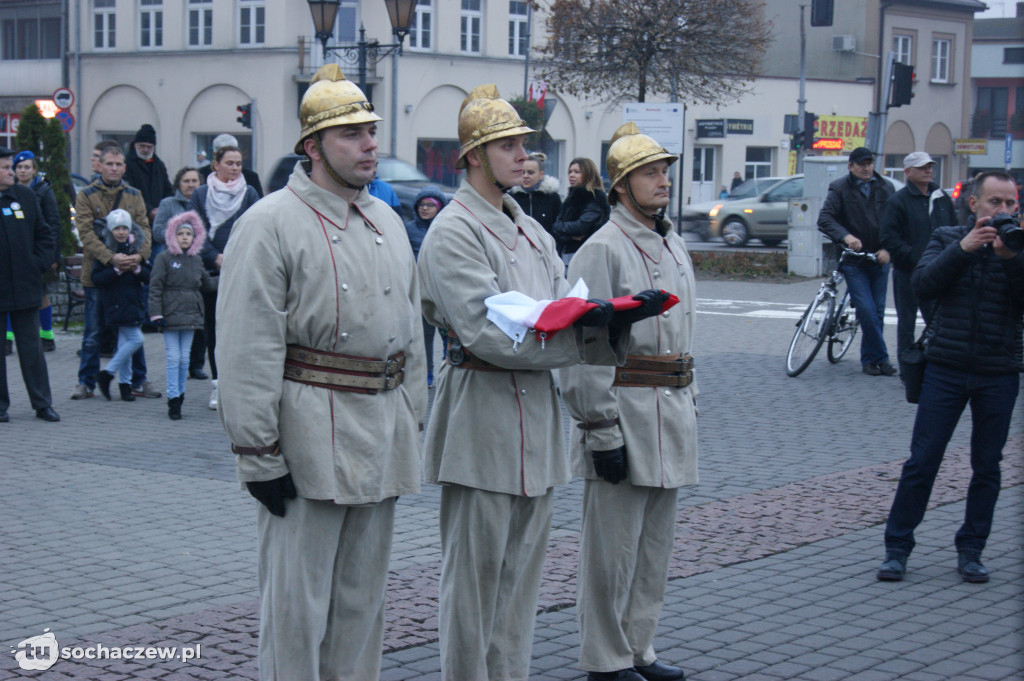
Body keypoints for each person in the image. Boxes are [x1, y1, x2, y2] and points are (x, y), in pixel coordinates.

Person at [417, 84, 662, 681]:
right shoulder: (455, 231)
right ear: (475, 154)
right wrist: (582, 333)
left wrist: (609, 319)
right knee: (475, 586)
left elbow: (559, 304)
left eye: (524, 143)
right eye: (509, 145)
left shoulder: (529, 228)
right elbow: (487, 333)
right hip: (481, 412)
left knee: (521, 582)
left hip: (536, 417)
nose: (524, 154)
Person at [215, 64, 426, 681]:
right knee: (297, 606)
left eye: (371, 131)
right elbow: (247, 347)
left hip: (380, 431)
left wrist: (409, 417)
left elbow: (409, 330)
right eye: (351, 134)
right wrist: (257, 452)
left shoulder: (385, 219)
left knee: (363, 600)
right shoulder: (269, 223)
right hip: (307, 437)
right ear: (311, 147)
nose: (369, 145)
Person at [559, 122, 696, 681]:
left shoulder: (673, 241)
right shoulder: (601, 249)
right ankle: (604, 657)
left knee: (652, 547)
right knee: (610, 550)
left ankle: (639, 647)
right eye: (650, 173)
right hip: (624, 407)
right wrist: (597, 427)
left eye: (664, 171)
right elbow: (582, 346)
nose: (663, 180)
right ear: (620, 185)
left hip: (671, 408)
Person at [876, 171, 1023, 584]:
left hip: (999, 372)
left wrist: (1012, 259)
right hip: (945, 368)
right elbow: (921, 285)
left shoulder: (1017, 246)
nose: (1005, 210)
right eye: (996, 202)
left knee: (988, 466)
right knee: (922, 461)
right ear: (974, 204)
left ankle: (972, 549)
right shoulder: (946, 237)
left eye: (1011, 203)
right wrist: (963, 249)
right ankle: (897, 548)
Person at [71, 146, 157, 400]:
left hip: (129, 274)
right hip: (97, 275)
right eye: (109, 163)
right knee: (93, 332)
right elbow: (86, 233)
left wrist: (140, 256)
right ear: (99, 165)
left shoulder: (134, 194)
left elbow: (145, 229)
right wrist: (112, 258)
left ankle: (137, 381)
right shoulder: (86, 194)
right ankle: (85, 382)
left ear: (124, 167)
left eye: (118, 164)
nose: (114, 168)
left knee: (133, 329)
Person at [189, 144, 259, 410]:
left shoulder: (249, 193)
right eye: (229, 163)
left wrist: (236, 257)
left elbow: (256, 228)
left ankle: (240, 384)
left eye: (239, 163)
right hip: (212, 274)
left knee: (243, 331)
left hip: (241, 269)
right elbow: (195, 229)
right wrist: (215, 257)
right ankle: (218, 384)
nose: (235, 168)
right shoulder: (201, 194)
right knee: (215, 331)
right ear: (215, 165)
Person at [817, 146, 896, 376]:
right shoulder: (840, 188)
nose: (867, 168)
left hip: (879, 259)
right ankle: (883, 358)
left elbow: (895, 222)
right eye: (861, 164)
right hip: (853, 261)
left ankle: (870, 361)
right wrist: (846, 236)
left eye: (869, 163)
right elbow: (825, 218)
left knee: (878, 311)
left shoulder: (885, 187)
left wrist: (888, 249)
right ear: (850, 167)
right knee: (867, 311)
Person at [880, 152, 956, 377]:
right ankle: (908, 370)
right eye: (922, 167)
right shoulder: (898, 200)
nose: (928, 171)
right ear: (908, 172)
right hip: (908, 272)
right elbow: (889, 238)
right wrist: (915, 258)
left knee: (938, 321)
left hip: (938, 272)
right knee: (907, 323)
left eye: (930, 166)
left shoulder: (940, 197)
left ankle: (939, 366)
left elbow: (953, 229)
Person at [0, 147, 60, 423]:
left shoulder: (24, 196)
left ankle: (42, 403)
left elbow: (45, 236)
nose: (11, 172)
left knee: (32, 349)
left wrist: (37, 264)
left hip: (25, 286)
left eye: (11, 167)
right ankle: (1, 406)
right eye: (5, 168)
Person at [149, 210, 216, 420]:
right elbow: (155, 287)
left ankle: (180, 395)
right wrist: (155, 314)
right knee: (173, 357)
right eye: (181, 234)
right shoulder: (164, 259)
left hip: (190, 316)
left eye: (189, 234)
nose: (185, 237)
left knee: (184, 358)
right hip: (169, 315)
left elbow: (207, 284)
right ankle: (173, 398)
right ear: (172, 236)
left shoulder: (196, 260)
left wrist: (229, 277)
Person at [153, 166, 208, 380]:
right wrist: (177, 235)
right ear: (178, 184)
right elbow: (157, 231)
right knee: (179, 317)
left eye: (195, 181)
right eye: (187, 181)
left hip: (197, 264)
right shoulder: (168, 204)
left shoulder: (204, 202)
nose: (191, 185)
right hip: (174, 267)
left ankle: (196, 365)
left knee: (198, 316)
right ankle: (179, 365)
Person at [92, 209, 151, 402]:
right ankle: (107, 373)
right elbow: (97, 279)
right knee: (136, 340)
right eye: (116, 228)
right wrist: (116, 269)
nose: (121, 232)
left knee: (125, 343)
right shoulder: (106, 252)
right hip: (115, 304)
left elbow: (149, 276)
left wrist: (136, 268)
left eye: (124, 228)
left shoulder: (136, 249)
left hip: (133, 302)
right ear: (111, 230)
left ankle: (124, 385)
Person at [5, 151, 60, 354]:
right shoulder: (9, 191)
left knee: (41, 295)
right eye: (19, 167)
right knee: (10, 297)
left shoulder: (44, 191)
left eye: (27, 167)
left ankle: (47, 335)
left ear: (34, 170)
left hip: (36, 254)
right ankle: (8, 339)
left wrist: (51, 255)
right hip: (15, 255)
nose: (22, 170)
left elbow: (53, 224)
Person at [404, 184, 447, 387]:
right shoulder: (409, 228)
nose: (425, 208)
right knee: (425, 336)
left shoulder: (447, 228)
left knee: (449, 335)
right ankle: (427, 373)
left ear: (439, 207)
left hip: (444, 290)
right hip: (421, 290)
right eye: (422, 204)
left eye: (430, 205)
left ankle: (448, 369)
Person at [553, 157, 610, 265]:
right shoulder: (571, 198)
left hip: (587, 255)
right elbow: (556, 226)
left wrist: (563, 230)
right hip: (568, 253)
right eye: (570, 172)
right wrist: (569, 235)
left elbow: (580, 227)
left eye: (577, 172)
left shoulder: (594, 198)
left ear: (588, 174)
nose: (571, 175)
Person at [123, 124, 173, 225]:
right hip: (135, 220)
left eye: (149, 147)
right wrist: (149, 211)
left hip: (158, 220)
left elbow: (168, 190)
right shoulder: (126, 164)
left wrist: (162, 209)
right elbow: (128, 192)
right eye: (142, 146)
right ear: (135, 145)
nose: (145, 150)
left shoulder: (159, 165)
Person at [510, 151, 561, 235]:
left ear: (541, 175)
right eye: (523, 172)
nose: (525, 176)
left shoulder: (552, 197)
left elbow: (558, 227)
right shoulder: (511, 198)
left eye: (530, 172)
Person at [199, 134, 263, 197]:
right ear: (214, 155)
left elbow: (259, 205)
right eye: (222, 155)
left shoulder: (251, 178)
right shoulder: (201, 175)